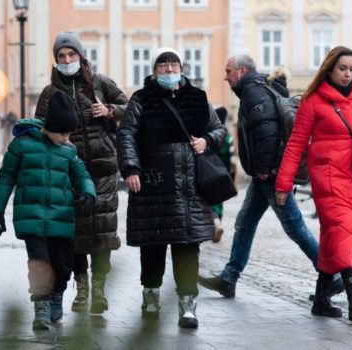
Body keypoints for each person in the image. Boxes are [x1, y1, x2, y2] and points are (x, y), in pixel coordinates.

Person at [198, 55, 343, 299]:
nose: (225, 76)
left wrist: (265, 168)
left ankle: (334, 276)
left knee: (295, 227)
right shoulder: (256, 89)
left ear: (242, 71)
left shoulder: (254, 93)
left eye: (229, 71)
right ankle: (229, 278)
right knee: (244, 223)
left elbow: (268, 133)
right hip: (264, 174)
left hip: (270, 174)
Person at [116, 47, 226, 328]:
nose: (169, 69)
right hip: (153, 183)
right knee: (152, 244)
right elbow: (126, 133)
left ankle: (187, 303)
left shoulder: (198, 98)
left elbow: (218, 129)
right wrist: (130, 168)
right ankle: (150, 296)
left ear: (181, 68)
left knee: (187, 246)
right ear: (154, 70)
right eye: (163, 65)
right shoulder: (141, 99)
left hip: (190, 186)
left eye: (173, 64)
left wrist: (207, 141)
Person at [275, 46, 352, 321]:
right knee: (344, 228)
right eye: (342, 68)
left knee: (341, 235)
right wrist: (283, 183)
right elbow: (296, 144)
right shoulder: (314, 101)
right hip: (328, 176)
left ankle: (322, 299)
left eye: (351, 69)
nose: (348, 74)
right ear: (330, 69)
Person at [34, 32, 128, 315]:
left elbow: (133, 107)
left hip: (102, 169)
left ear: (80, 55)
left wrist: (110, 110)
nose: (67, 60)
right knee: (74, 234)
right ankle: (82, 284)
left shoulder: (100, 83)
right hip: (68, 172)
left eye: (71, 55)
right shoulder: (50, 93)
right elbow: (39, 128)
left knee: (103, 230)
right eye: (61, 56)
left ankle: (99, 287)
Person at [0, 90, 96, 331]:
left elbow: (82, 175)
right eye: (62, 132)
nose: (65, 137)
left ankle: (56, 295)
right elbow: (6, 177)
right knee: (39, 262)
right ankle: (41, 308)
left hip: (62, 216)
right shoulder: (22, 145)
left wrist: (89, 194)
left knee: (63, 264)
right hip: (31, 216)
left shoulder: (68, 150)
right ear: (49, 127)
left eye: (69, 133)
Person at [211, 106, 236, 242]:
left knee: (210, 202)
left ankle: (215, 224)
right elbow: (232, 160)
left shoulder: (211, 135)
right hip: (223, 174)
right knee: (219, 202)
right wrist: (231, 178)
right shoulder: (228, 137)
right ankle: (218, 223)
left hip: (210, 173)